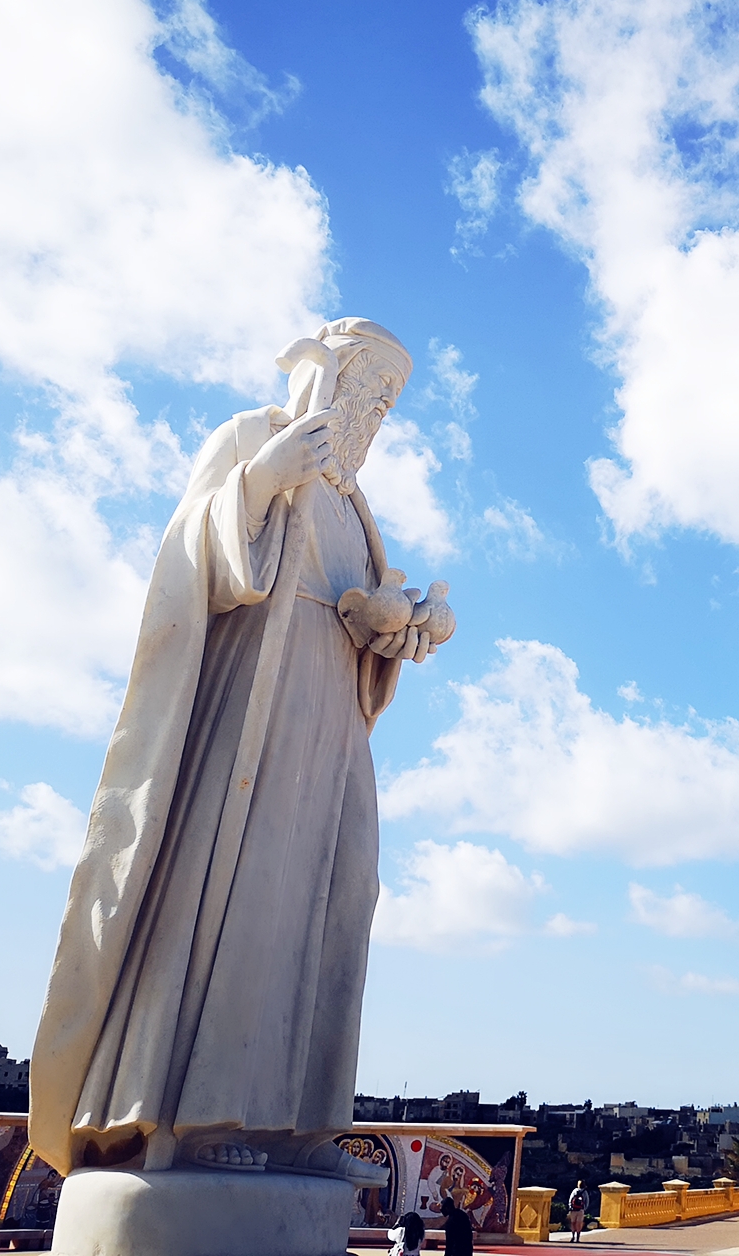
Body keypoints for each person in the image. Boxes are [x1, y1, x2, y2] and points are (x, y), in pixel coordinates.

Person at [30, 320, 453, 1184]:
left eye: (385, 405)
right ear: (327, 376)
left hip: (329, 733)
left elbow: (353, 615)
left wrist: (400, 627)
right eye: (364, 391)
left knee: (334, 901)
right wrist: (261, 483)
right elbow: (188, 568)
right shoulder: (252, 441)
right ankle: (198, 1115)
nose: (369, 416)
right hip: (248, 723)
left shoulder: (352, 509)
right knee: (241, 900)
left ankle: (297, 1127)